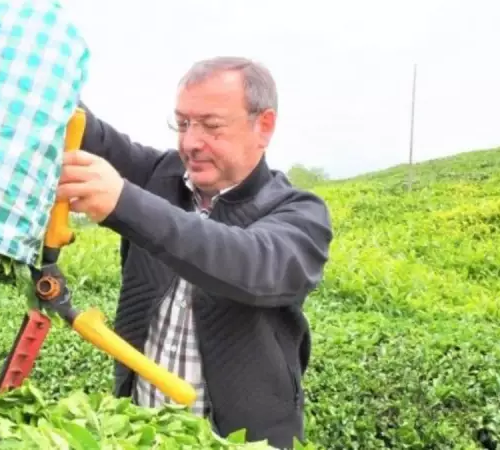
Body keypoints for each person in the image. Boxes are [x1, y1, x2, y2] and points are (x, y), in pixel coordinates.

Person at [56, 56, 334, 449]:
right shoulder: (159, 177)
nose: (190, 142)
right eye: (182, 123)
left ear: (264, 125)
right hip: (141, 430)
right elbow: (90, 134)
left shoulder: (299, 214)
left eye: (211, 126)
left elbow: (248, 264)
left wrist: (124, 202)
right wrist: (38, 79)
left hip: (242, 439)